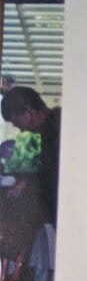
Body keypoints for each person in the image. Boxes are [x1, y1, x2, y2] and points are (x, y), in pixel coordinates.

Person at [1, 86, 61, 228]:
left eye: (18, 123)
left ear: (29, 112)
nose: (22, 130)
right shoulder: (54, 125)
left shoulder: (54, 132)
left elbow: (52, 181)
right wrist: (27, 182)